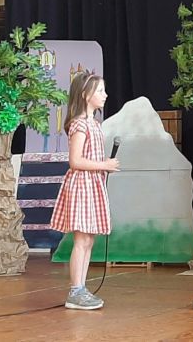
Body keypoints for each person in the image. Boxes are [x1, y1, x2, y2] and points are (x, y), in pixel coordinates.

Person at [50, 71, 120, 310]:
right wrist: (104, 165)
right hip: (82, 185)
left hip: (93, 184)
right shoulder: (80, 124)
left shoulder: (94, 124)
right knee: (81, 240)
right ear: (85, 95)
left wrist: (103, 167)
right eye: (100, 91)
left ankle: (81, 287)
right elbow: (75, 161)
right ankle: (75, 290)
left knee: (88, 240)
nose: (105, 95)